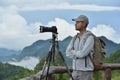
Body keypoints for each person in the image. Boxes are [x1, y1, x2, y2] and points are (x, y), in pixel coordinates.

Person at [66, 15, 94, 80]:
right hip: (75, 70)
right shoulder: (75, 38)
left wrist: (73, 51)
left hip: (86, 72)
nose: (75, 24)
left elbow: (83, 54)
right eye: (76, 22)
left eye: (78, 22)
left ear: (84, 24)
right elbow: (67, 53)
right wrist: (77, 54)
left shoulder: (90, 37)